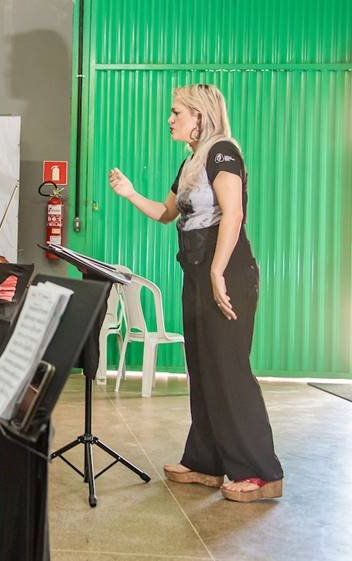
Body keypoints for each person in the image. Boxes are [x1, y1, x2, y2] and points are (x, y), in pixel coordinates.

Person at [107, 83, 283, 503]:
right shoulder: (191, 161)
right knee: (203, 368)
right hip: (197, 273)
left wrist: (218, 272)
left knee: (229, 368)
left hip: (227, 273)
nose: (170, 119)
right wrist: (130, 193)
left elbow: (233, 213)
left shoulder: (222, 152)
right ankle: (206, 462)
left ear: (200, 116)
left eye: (177, 112)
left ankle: (261, 472)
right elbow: (166, 213)